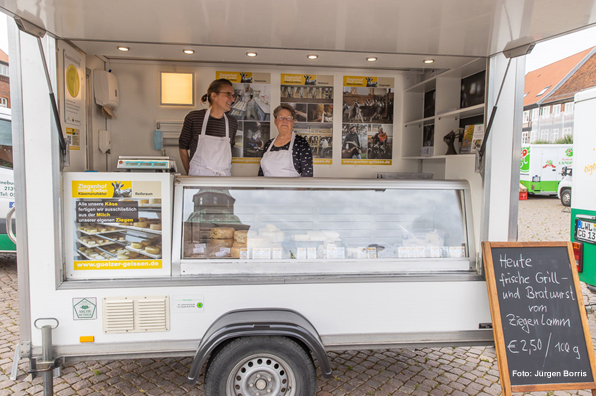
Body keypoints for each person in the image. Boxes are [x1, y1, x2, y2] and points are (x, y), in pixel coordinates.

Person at [178, 79, 238, 176]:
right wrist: (190, 174)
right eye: (228, 94)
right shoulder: (194, 118)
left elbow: (229, 150)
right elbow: (182, 148)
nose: (232, 99)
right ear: (214, 95)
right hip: (197, 178)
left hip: (223, 180)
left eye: (233, 95)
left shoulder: (232, 122)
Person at [259, 104, 313, 177]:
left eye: (288, 118)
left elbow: (307, 178)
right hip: (267, 188)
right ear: (275, 121)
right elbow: (260, 175)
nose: (284, 121)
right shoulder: (268, 145)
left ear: (293, 121)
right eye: (281, 118)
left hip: (290, 189)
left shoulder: (301, 144)